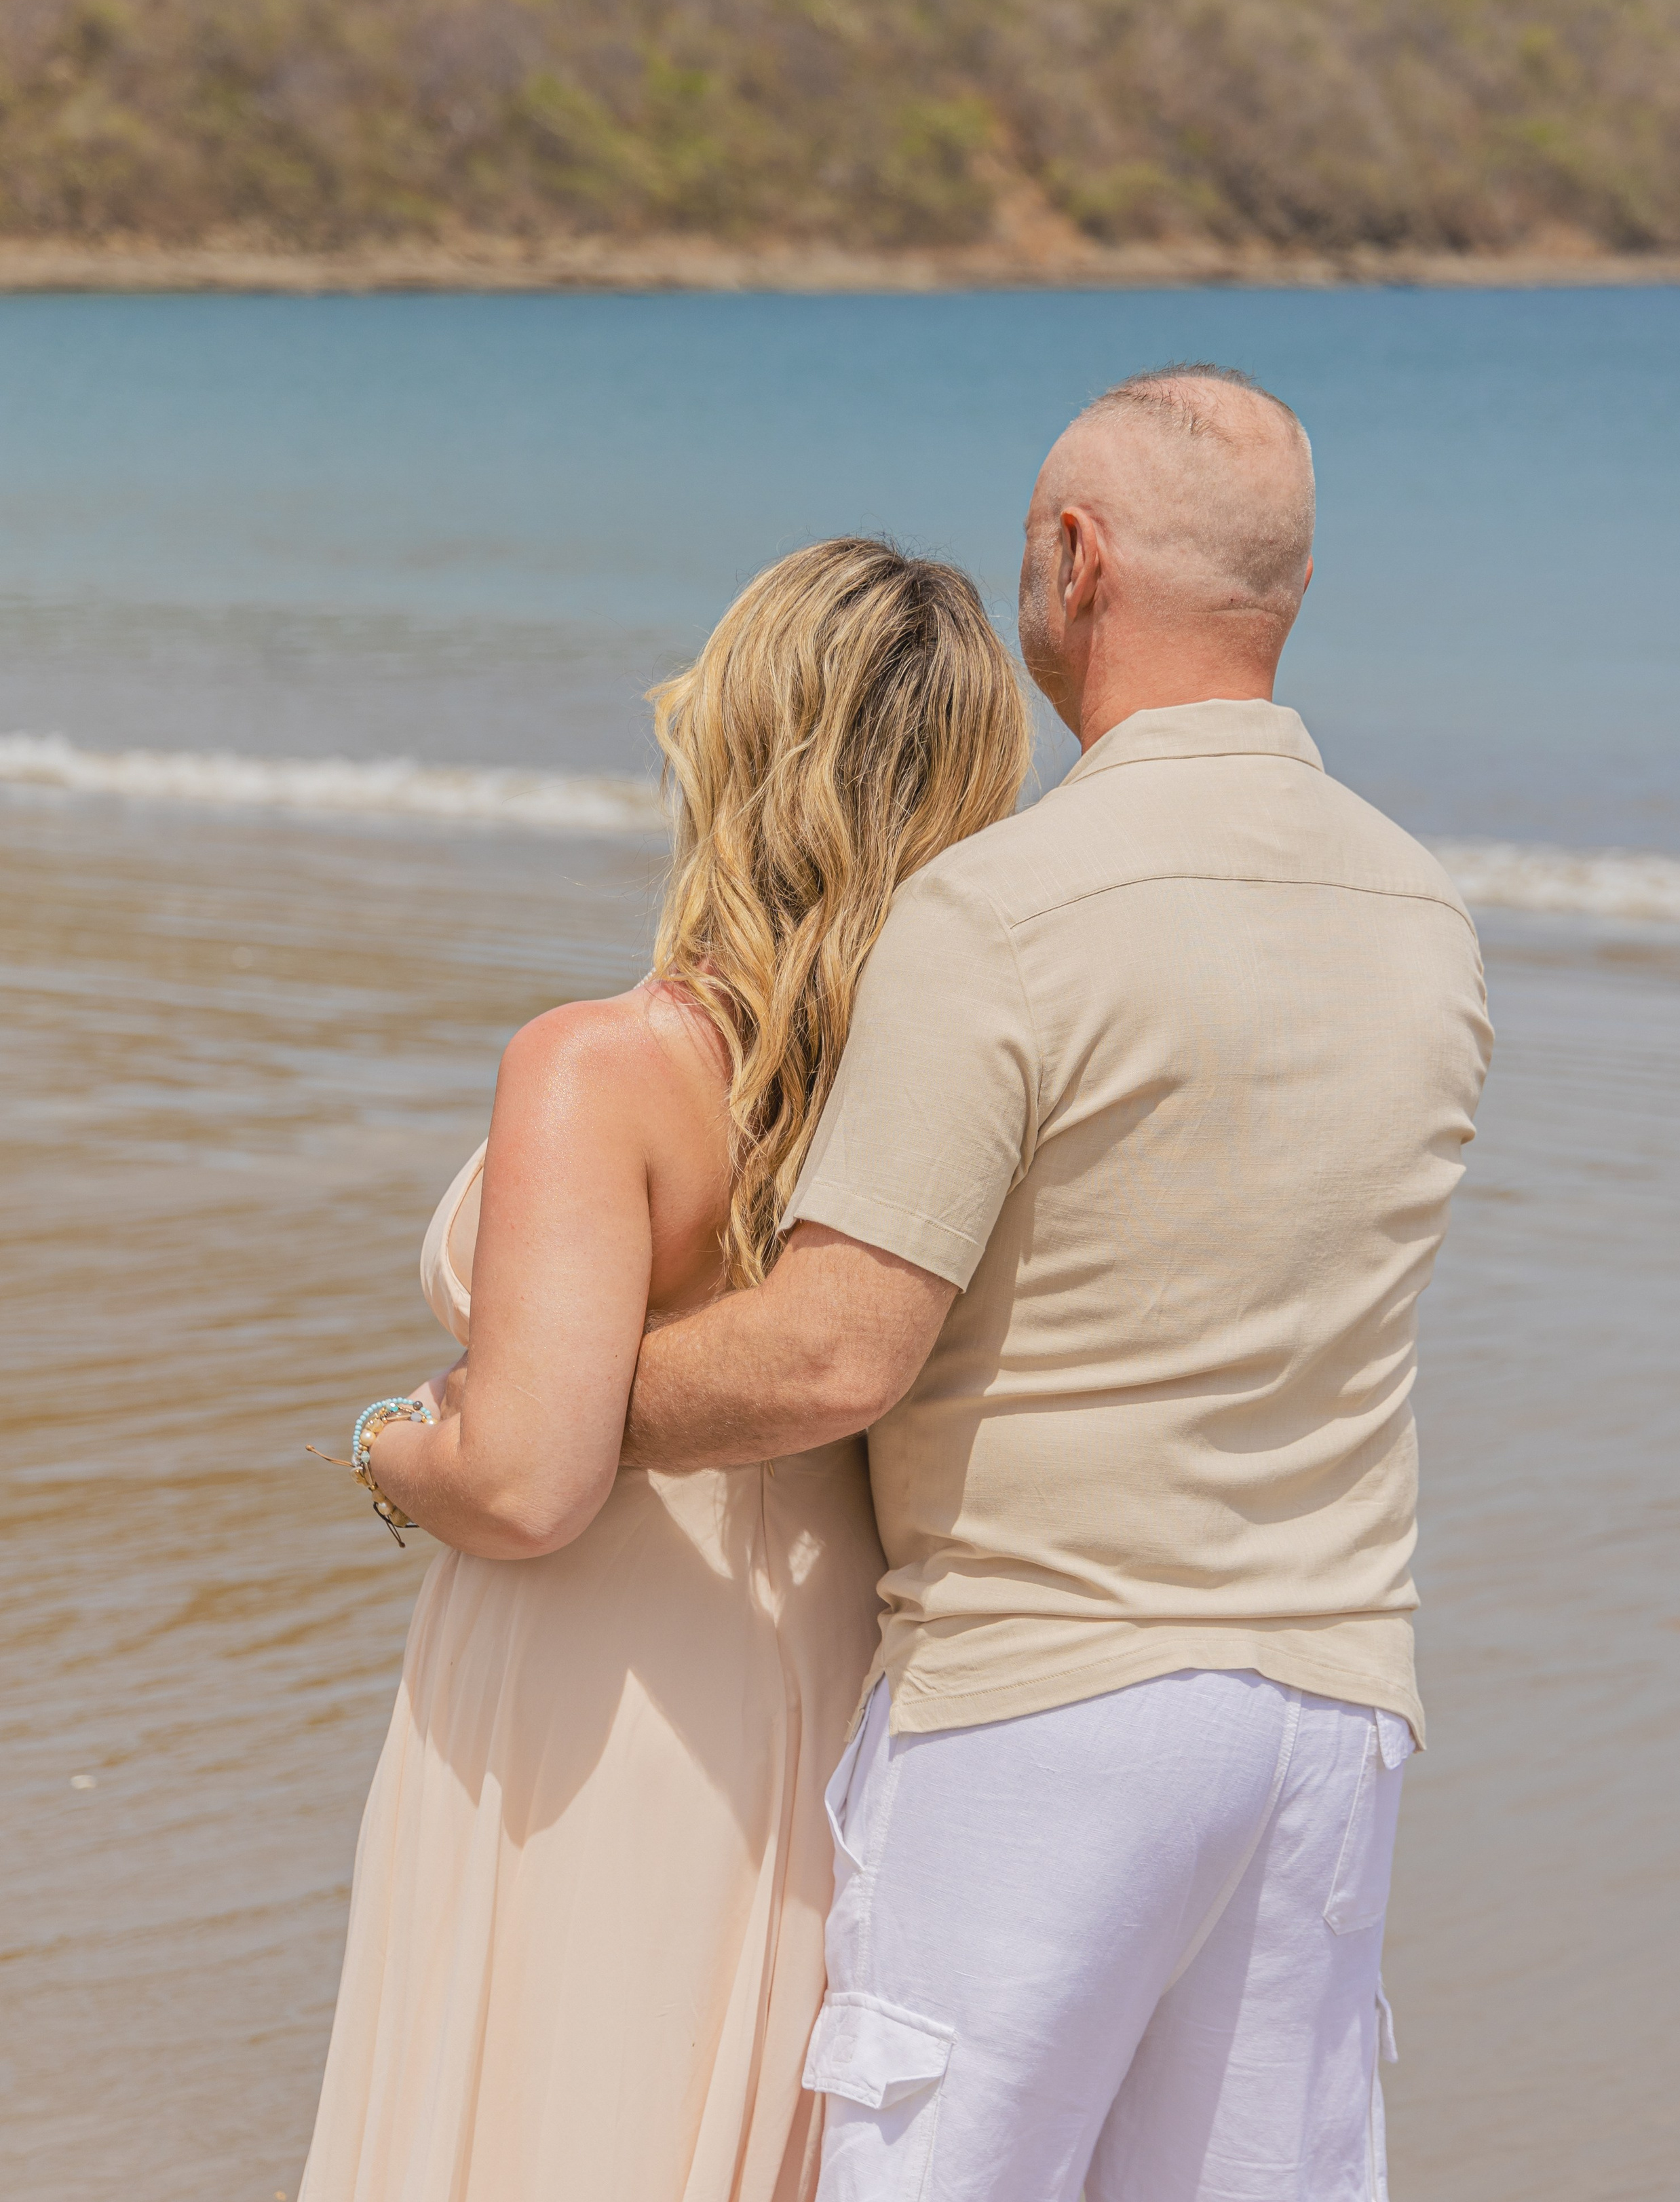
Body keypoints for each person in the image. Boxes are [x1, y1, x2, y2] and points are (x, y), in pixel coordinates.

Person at [622, 366, 1495, 2201]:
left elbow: (835, 1353)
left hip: (1048, 1699)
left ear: (1076, 564)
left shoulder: (1007, 912)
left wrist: (565, 1393)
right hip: (1333, 1714)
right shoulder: (1429, 919)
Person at [296, 539, 1032, 2202]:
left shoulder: (605, 1067)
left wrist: (384, 1445)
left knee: (545, 2110)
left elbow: (528, 1482)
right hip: (829, 1675)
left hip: (603, 1686)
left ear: (733, 743)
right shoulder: (960, 1088)